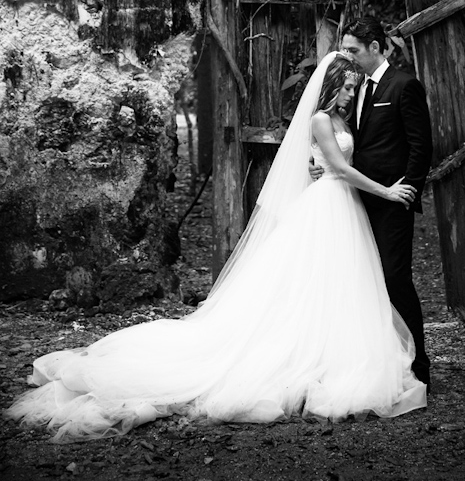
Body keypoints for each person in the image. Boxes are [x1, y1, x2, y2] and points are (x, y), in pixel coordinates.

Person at [6, 52, 426, 441]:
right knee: (309, 283)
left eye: (354, 87)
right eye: (348, 87)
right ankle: (308, 357)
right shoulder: (319, 118)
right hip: (328, 205)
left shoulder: (341, 120)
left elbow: (328, 162)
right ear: (333, 85)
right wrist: (385, 192)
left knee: (340, 284)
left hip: (343, 207)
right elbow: (337, 166)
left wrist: (327, 169)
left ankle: (334, 355)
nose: (353, 94)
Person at [312, 18, 433, 389]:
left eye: (353, 50)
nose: (347, 56)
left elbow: (421, 146)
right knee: (358, 281)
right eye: (345, 49)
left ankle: (417, 363)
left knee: (395, 279)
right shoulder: (352, 92)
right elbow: (338, 142)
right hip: (354, 200)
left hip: (391, 201)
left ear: (377, 48)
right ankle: (373, 359)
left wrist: (406, 190)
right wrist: (320, 166)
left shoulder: (403, 85)